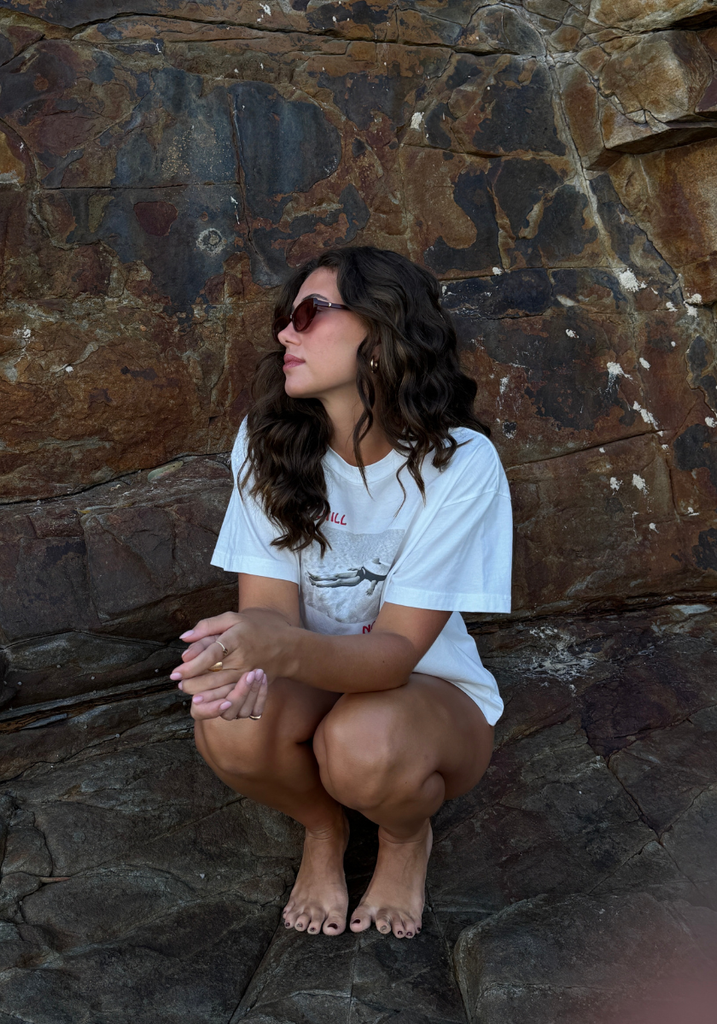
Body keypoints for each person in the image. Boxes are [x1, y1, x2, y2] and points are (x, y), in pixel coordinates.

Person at [169, 246, 512, 939]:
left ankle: (403, 838)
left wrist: (271, 648)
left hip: (423, 695)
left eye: (309, 313)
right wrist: (240, 654)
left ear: (381, 334)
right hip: (314, 679)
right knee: (228, 722)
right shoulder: (266, 440)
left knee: (362, 742)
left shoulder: (458, 463)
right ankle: (323, 829)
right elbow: (269, 614)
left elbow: (394, 654)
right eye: (286, 316)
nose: (284, 333)